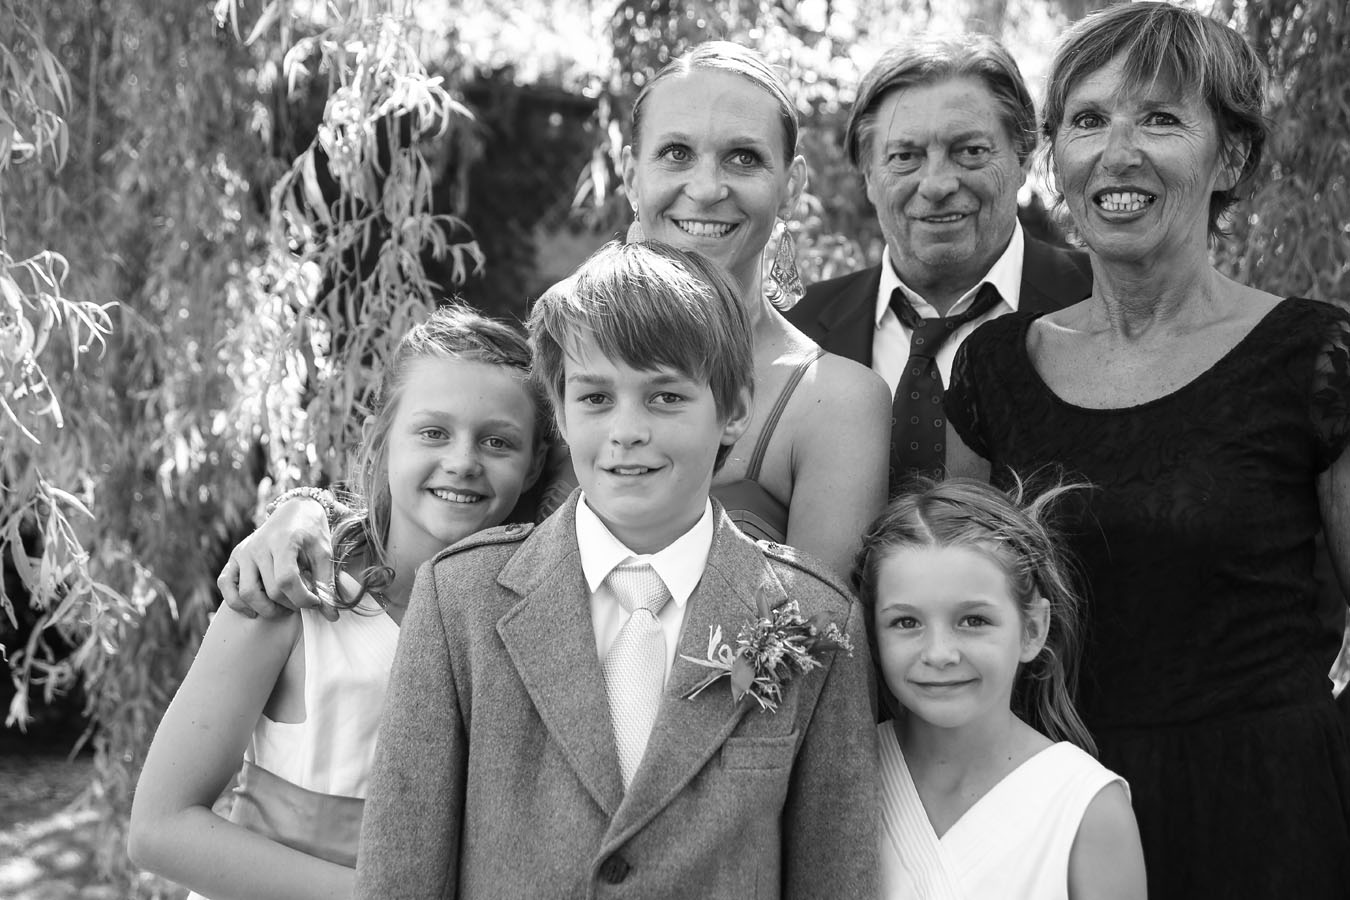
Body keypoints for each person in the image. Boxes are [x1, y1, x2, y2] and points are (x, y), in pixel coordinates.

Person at [218, 42, 889, 606]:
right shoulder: (564, 343)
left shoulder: (833, 402)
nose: (708, 187)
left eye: (744, 158)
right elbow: (443, 478)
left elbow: (816, 651)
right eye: (676, 153)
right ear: (630, 175)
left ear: (792, 184)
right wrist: (309, 511)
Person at [944, 4, 1350, 897]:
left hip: (1268, 819)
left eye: (1160, 118)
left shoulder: (1313, 356)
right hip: (1053, 813)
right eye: (1088, 120)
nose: (1116, 152)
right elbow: (954, 612)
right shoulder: (993, 369)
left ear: (1230, 158)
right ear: (1057, 157)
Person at [354, 240, 878, 899]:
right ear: (559, 409)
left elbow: (835, 876)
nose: (627, 430)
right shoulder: (459, 600)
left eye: (665, 397)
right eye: (597, 398)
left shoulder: (813, 619)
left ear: (735, 410)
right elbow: (400, 875)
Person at [127, 306, 548, 899]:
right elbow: (159, 830)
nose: (462, 462)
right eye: (433, 432)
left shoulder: (538, 623)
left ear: (533, 466)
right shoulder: (286, 589)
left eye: (498, 441)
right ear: (379, 439)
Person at [785, 34, 1092, 491]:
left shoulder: (1102, 301)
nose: (936, 184)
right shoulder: (797, 333)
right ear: (868, 176)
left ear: (1023, 159)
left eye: (970, 151)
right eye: (904, 157)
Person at [855, 477, 1145, 899]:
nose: (939, 653)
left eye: (974, 620)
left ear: (1032, 629)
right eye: (906, 622)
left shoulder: (1086, 808)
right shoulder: (846, 772)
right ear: (872, 633)